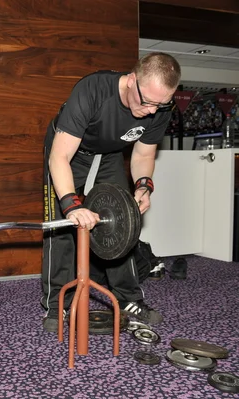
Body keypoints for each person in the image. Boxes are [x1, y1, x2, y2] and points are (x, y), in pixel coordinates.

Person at [41, 52, 181, 332]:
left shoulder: (158, 107)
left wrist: (143, 185)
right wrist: (72, 205)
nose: (153, 111)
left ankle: (128, 297)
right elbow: (59, 157)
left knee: (123, 223)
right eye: (148, 102)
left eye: (161, 104)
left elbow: (142, 156)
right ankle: (58, 304)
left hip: (108, 155)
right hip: (69, 150)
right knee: (60, 227)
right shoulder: (92, 91)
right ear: (131, 81)